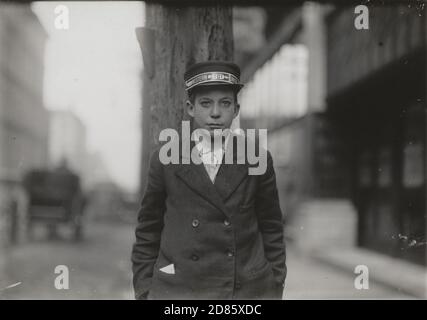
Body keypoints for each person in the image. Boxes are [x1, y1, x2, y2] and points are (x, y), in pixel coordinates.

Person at [131, 61, 286, 300]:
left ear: (236, 109)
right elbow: (148, 231)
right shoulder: (166, 159)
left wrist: (274, 286)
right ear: (190, 108)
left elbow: (272, 228)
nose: (215, 113)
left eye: (225, 103)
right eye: (205, 103)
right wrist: (144, 290)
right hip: (180, 293)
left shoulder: (257, 158)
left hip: (243, 293)